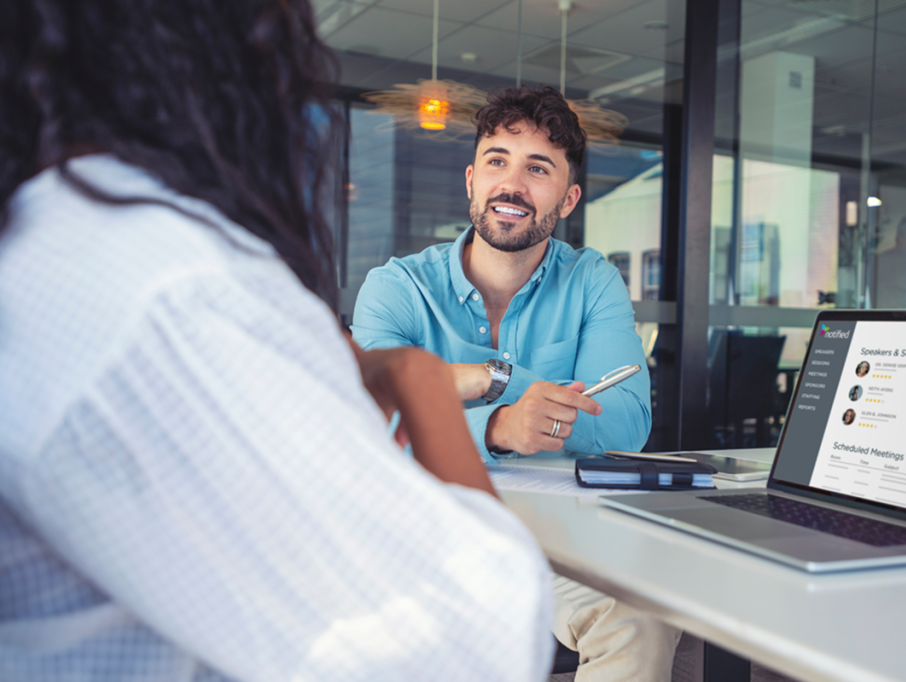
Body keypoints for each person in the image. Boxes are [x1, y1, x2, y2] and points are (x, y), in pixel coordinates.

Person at [0, 2, 553, 681]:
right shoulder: (169, 286)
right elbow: (471, 643)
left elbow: (622, 414)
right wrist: (430, 389)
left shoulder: (53, 238)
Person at [352, 85, 679, 682]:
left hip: (560, 537)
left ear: (569, 196)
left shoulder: (592, 281)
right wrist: (500, 426)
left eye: (538, 169)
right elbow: (365, 419)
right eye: (498, 161)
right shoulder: (398, 288)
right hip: (422, 528)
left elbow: (627, 418)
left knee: (641, 615)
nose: (513, 185)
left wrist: (487, 378)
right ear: (472, 179)